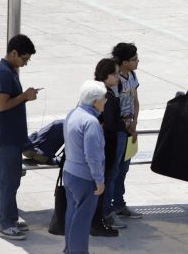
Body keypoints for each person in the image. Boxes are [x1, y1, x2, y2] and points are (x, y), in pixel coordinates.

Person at [0, 34, 39, 240]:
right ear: (14, 53)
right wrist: (24, 96)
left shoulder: (9, 71)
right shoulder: (3, 74)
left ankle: (6, 216)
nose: (25, 63)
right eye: (24, 59)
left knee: (9, 181)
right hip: (5, 138)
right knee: (9, 181)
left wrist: (24, 97)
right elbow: (2, 105)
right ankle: (7, 224)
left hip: (10, 137)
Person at [63, 80, 107, 254]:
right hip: (84, 177)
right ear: (95, 101)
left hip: (70, 173)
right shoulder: (91, 122)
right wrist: (99, 180)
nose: (105, 101)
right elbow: (92, 156)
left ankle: (69, 249)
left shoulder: (73, 114)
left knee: (72, 215)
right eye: (104, 98)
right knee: (82, 220)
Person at [91, 58, 125, 235]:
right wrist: (123, 125)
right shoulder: (108, 96)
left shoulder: (94, 91)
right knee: (109, 176)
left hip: (100, 142)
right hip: (109, 142)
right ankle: (104, 214)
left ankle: (100, 214)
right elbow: (110, 124)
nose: (118, 77)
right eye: (115, 74)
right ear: (106, 75)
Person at [110, 43, 143, 219]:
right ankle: (109, 206)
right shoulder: (115, 79)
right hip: (118, 129)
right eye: (134, 59)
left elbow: (136, 101)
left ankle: (119, 202)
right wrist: (126, 124)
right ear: (124, 62)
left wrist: (134, 123)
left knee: (124, 168)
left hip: (130, 127)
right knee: (114, 168)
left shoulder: (132, 76)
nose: (138, 61)